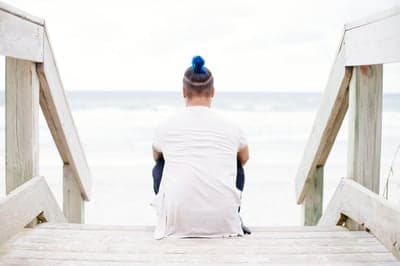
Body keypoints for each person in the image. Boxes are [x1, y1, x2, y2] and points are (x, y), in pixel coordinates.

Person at [151, 56, 250, 239]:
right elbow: (244, 158)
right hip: (223, 221)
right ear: (212, 92)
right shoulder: (232, 126)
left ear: (183, 91)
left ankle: (171, 217)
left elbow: (156, 156)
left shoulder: (165, 126)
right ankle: (231, 215)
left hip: (176, 221)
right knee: (236, 163)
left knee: (161, 163)